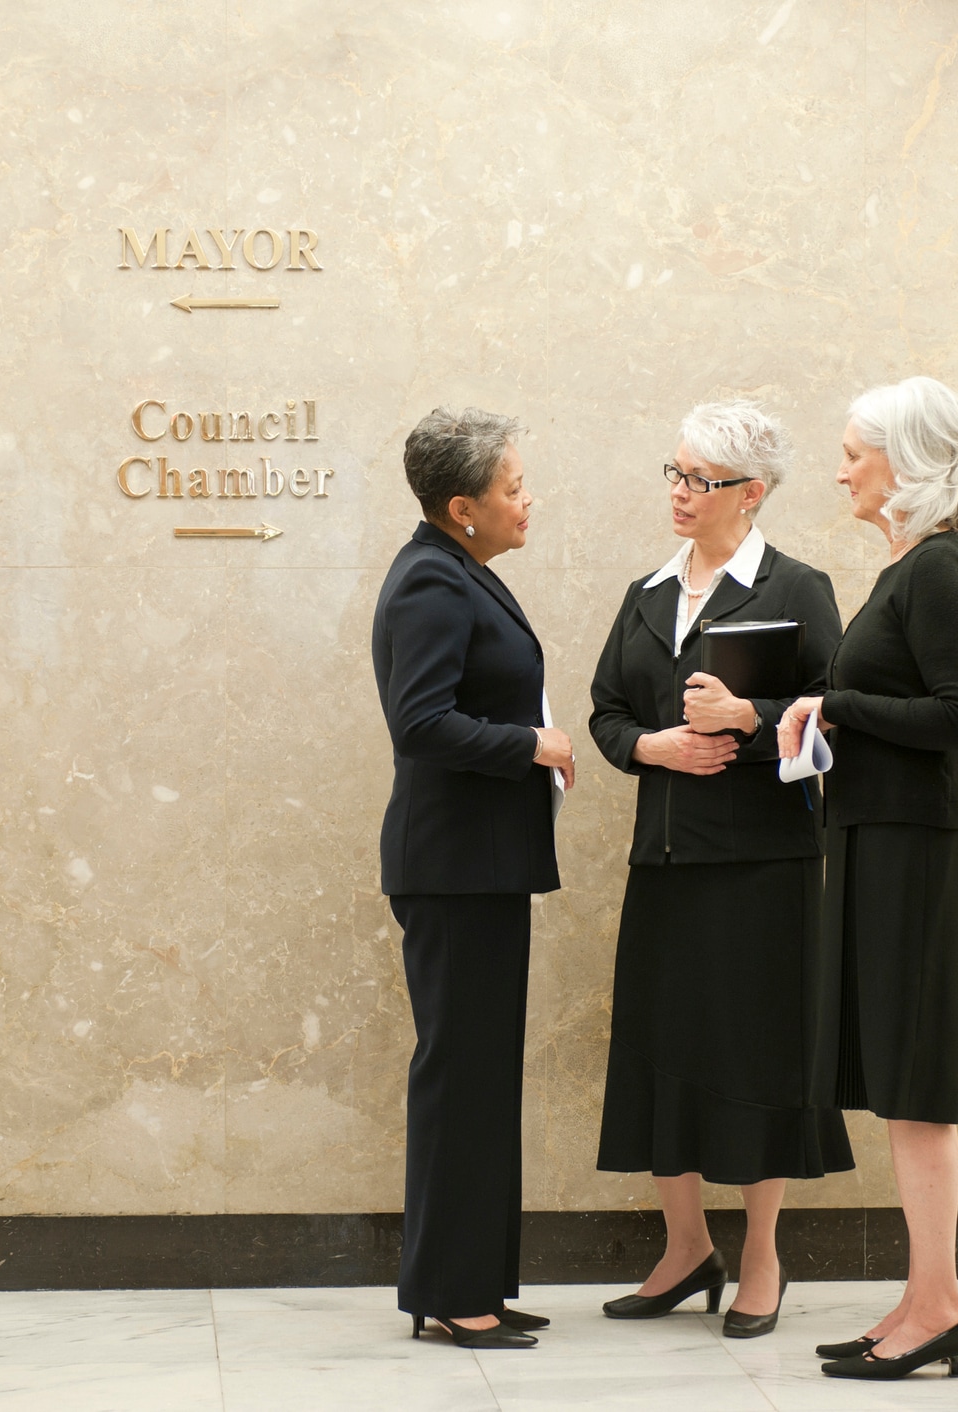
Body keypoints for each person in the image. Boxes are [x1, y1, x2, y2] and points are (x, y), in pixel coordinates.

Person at [586, 400, 852, 1340]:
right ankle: (686, 1245)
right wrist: (651, 748)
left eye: (700, 480)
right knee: (665, 1052)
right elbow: (607, 710)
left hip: (763, 870)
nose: (680, 494)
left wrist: (747, 720)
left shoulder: (799, 588)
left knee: (756, 1057)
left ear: (753, 492)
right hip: (664, 862)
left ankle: (764, 1257)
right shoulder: (647, 593)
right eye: (675, 472)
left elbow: (837, 714)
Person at [778, 376, 958, 1382]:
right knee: (903, 1085)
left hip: (918, 850)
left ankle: (939, 1304)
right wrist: (828, 710)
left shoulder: (941, 569)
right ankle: (920, 1296)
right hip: (882, 842)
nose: (839, 471)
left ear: (904, 464)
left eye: (854, 452)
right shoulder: (907, 568)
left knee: (917, 1086)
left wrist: (842, 706)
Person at [371, 407, 575, 1351]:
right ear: (463, 506)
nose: (528, 500)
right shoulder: (429, 581)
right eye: (515, 488)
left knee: (485, 1078)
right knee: (460, 1077)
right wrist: (530, 743)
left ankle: (477, 1279)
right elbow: (420, 725)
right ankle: (450, 1293)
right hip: (452, 870)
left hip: (482, 869)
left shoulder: (461, 572)